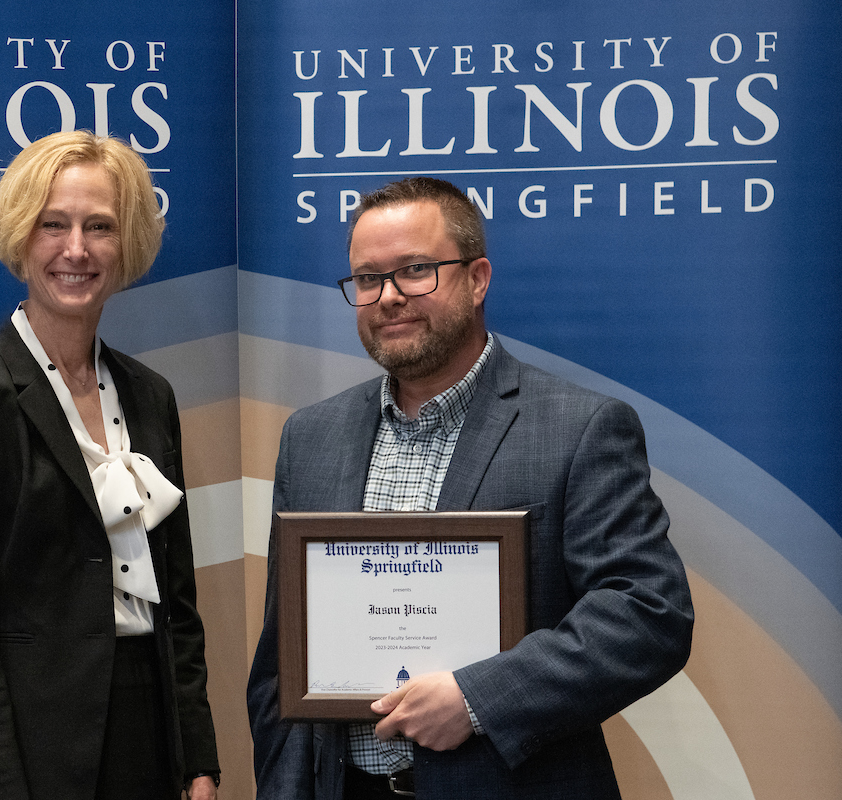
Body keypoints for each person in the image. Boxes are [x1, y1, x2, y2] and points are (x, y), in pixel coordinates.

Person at [246, 177, 694, 799]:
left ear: (478, 278)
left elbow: (648, 613)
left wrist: (476, 698)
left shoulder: (581, 428)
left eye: (416, 270)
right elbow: (281, 658)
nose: (389, 297)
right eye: (368, 279)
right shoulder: (310, 437)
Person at [0, 131, 219, 800]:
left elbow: (179, 601)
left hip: (149, 733)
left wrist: (198, 759)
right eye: (54, 224)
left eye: (99, 226)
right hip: (28, 748)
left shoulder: (150, 395)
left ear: (126, 241)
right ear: (22, 236)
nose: (76, 249)